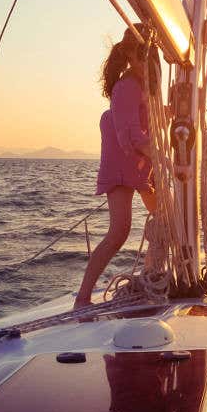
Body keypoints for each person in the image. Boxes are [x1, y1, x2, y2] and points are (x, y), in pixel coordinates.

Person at [76, 26, 158, 307]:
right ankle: (83, 298)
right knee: (119, 232)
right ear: (130, 55)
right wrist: (161, 158)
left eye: (151, 53)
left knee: (166, 220)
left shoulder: (146, 86)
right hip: (124, 168)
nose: (148, 58)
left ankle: (152, 275)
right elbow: (130, 135)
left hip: (143, 165)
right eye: (143, 53)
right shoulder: (126, 87)